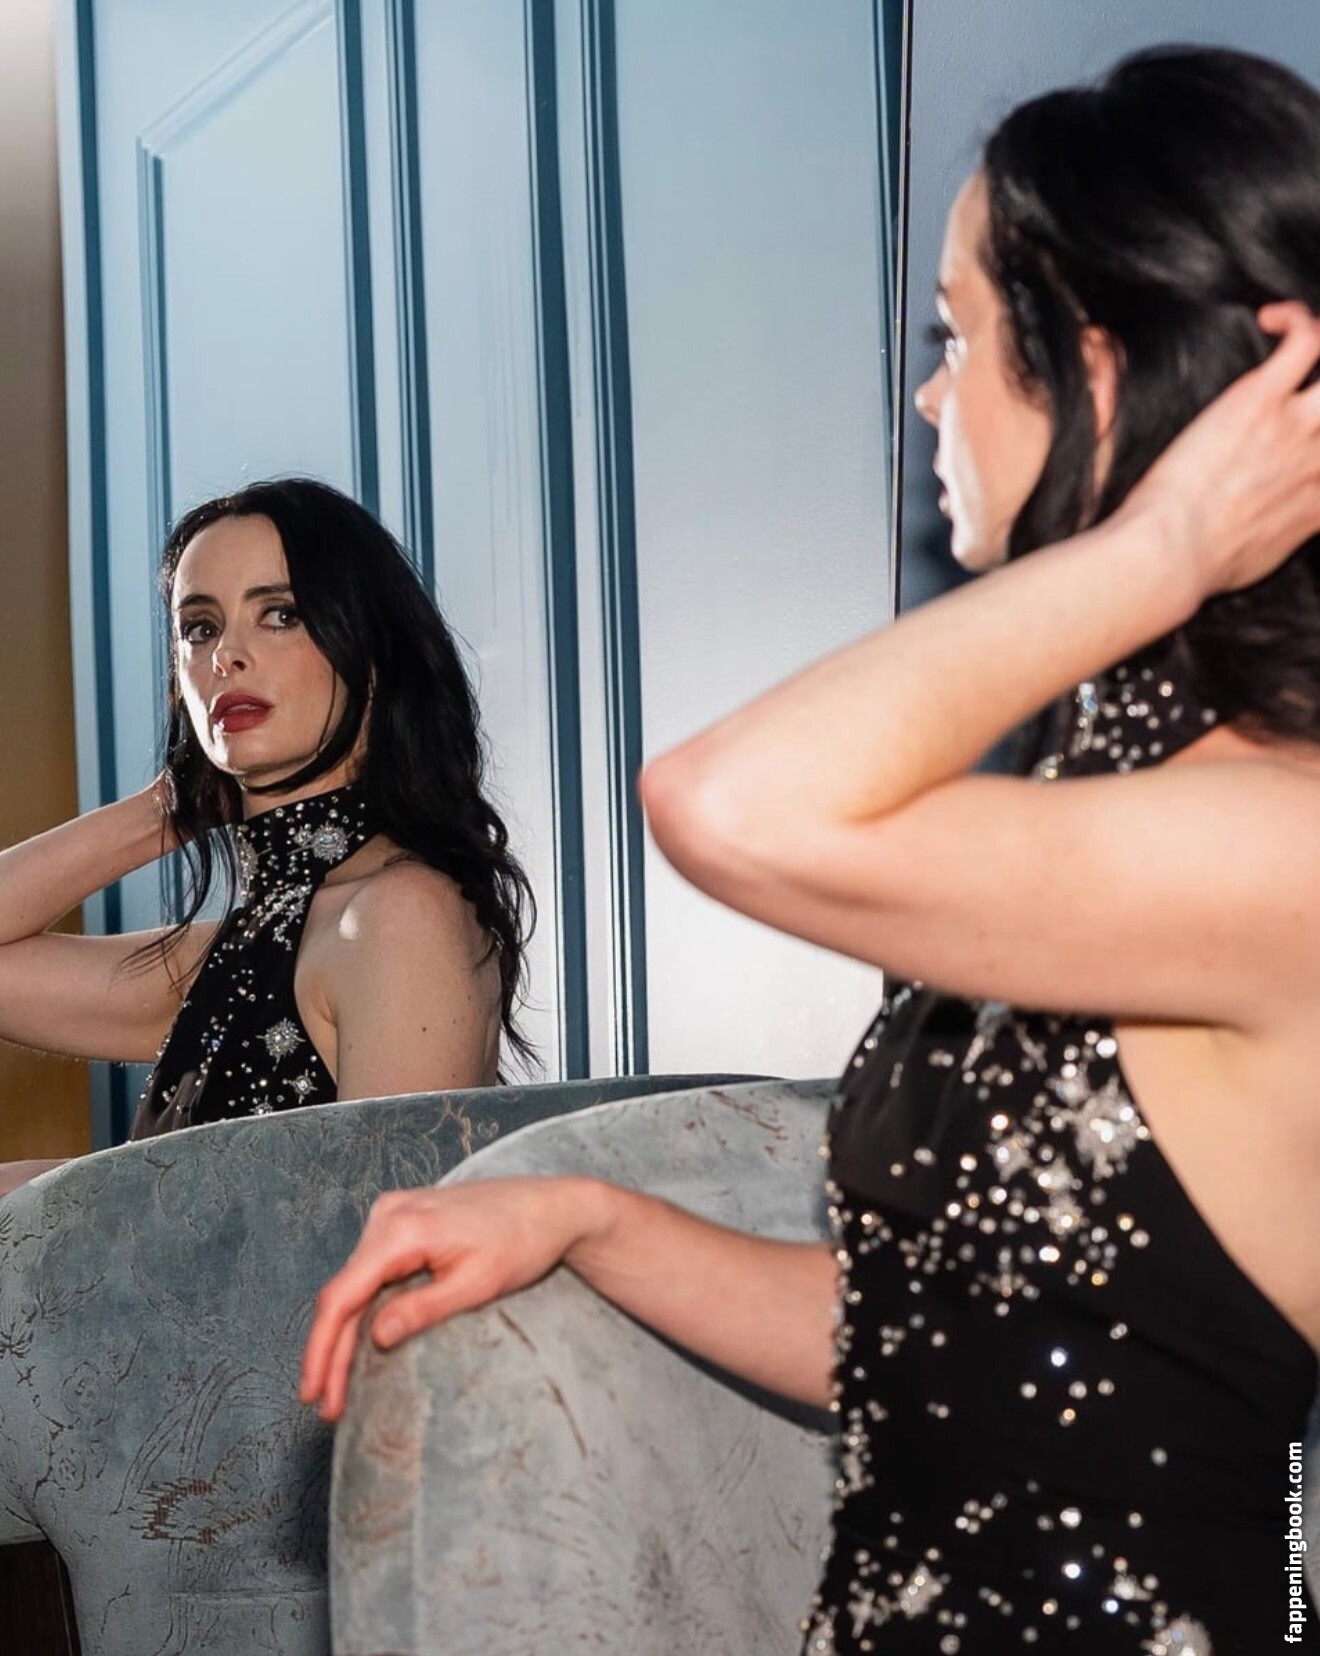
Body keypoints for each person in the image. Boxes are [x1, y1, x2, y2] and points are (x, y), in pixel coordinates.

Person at [301, 47, 1320, 1655]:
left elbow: (720, 805)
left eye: (958, 338)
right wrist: (596, 1218)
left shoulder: (1278, 836)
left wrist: (1164, 544)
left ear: (1101, 373)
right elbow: (936, 1349)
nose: (930, 397)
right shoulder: (1118, 801)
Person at [0, 477, 532, 1186]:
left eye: (279, 614)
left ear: (372, 655)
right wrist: (172, 805)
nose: (226, 656)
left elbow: (378, 1231)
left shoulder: (400, 914)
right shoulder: (250, 946)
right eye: (200, 628)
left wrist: (76, 1194)